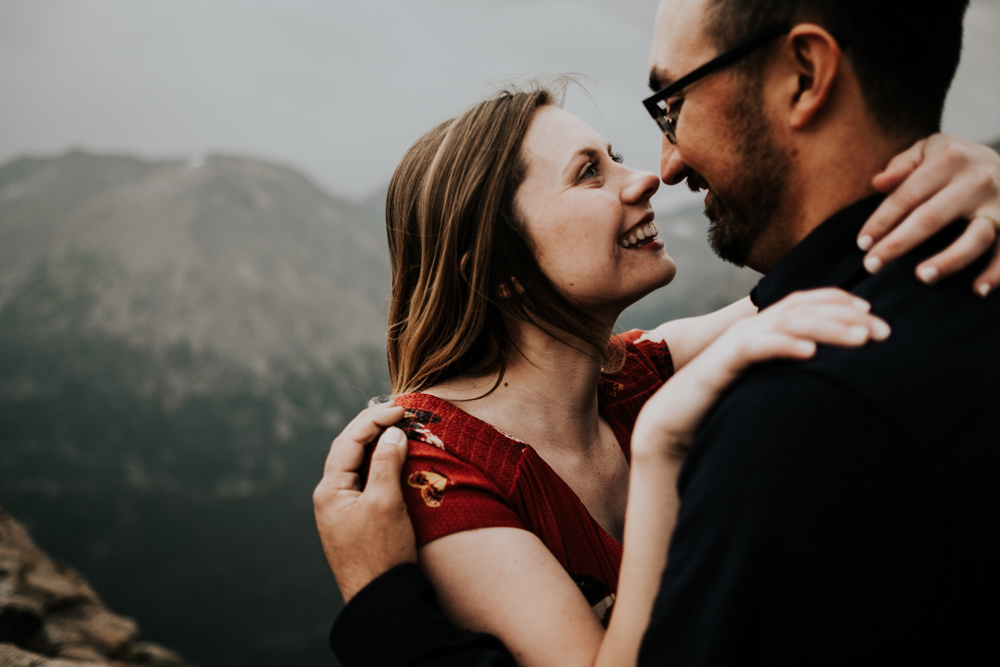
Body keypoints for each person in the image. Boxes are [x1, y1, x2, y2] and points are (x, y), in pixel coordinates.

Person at [314, 0, 1000, 664]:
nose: (647, 177)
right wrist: (663, 447)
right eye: (590, 173)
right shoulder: (435, 466)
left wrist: (965, 172)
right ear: (500, 270)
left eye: (613, 155)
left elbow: (819, 279)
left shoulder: (631, 375)